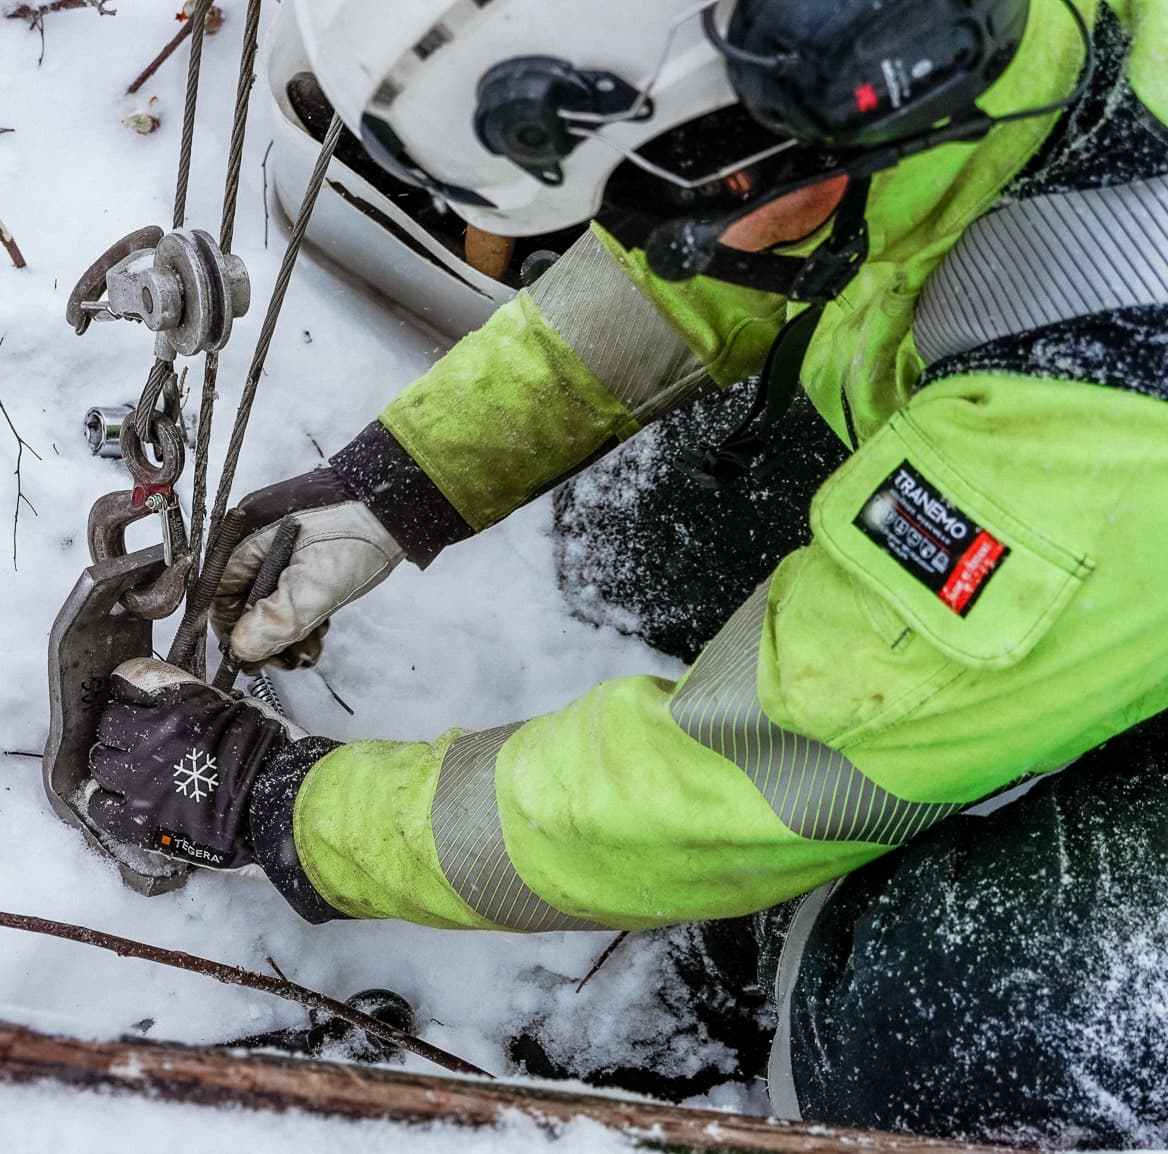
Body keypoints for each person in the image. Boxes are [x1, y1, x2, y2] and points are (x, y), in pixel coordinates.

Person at [79, 0, 1168, 1144]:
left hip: (1113, 503)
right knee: (664, 523)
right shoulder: (926, 65)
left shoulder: (1087, 449)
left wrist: (284, 807)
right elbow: (704, 259)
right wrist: (401, 482)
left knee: (947, 1023)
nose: (642, 240)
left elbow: (733, 780)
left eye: (656, 206)